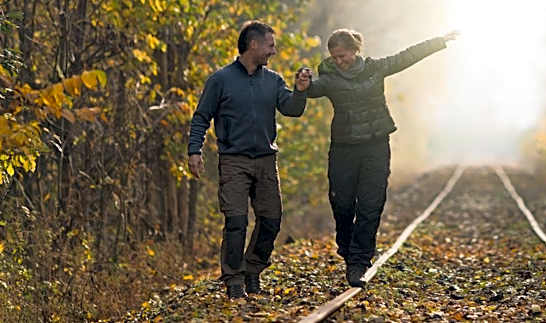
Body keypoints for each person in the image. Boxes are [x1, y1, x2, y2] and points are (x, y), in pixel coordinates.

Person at [304, 28, 457, 287]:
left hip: (375, 147)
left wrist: (438, 41)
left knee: (370, 204)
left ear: (355, 51)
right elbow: (313, 89)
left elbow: (407, 56)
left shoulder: (375, 68)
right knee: (342, 204)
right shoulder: (329, 77)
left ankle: (359, 262)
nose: (339, 61)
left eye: (343, 56)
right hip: (344, 149)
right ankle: (347, 247)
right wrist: (304, 84)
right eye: (335, 57)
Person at [187, 20, 311, 299]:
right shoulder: (220, 80)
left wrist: (301, 90)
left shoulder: (274, 80)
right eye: (270, 45)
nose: (273, 51)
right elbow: (201, 117)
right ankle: (233, 280)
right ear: (253, 44)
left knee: (271, 220)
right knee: (236, 222)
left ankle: (253, 269)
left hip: (266, 159)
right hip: (234, 161)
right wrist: (194, 151)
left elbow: (292, 109)